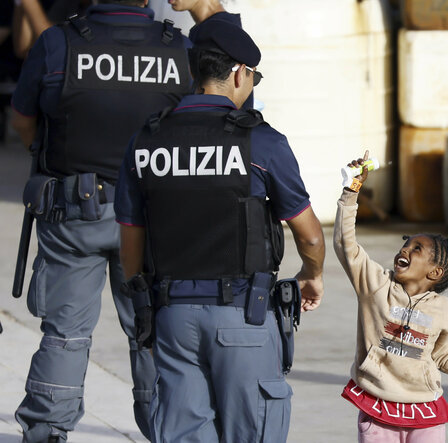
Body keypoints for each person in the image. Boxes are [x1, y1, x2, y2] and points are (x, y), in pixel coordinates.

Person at [114, 19, 325, 442]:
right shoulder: (261, 143)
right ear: (238, 73)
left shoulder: (147, 140)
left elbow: (131, 239)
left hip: (173, 317)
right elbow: (310, 234)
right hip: (243, 318)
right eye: (254, 76)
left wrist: (144, 305)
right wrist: (311, 273)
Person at [10, 0, 191, 440]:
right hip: (152, 220)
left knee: (65, 335)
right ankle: (168, 430)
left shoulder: (59, 43)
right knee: (152, 332)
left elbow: (23, 121)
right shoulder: (179, 50)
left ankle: (47, 430)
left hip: (75, 211)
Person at [333, 152, 448, 443]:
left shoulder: (444, 310)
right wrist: (350, 192)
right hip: (378, 407)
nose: (405, 250)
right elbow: (347, 246)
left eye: (416, 249)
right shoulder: (376, 286)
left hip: (425, 411)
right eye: (406, 244)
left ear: (435, 272)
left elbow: (442, 353)